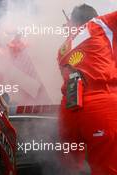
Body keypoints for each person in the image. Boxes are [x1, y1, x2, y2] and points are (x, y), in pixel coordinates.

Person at [57, 4, 117, 175]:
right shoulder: (101, 23)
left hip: (69, 109)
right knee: (107, 169)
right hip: (101, 105)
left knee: (69, 169)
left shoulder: (62, 49)